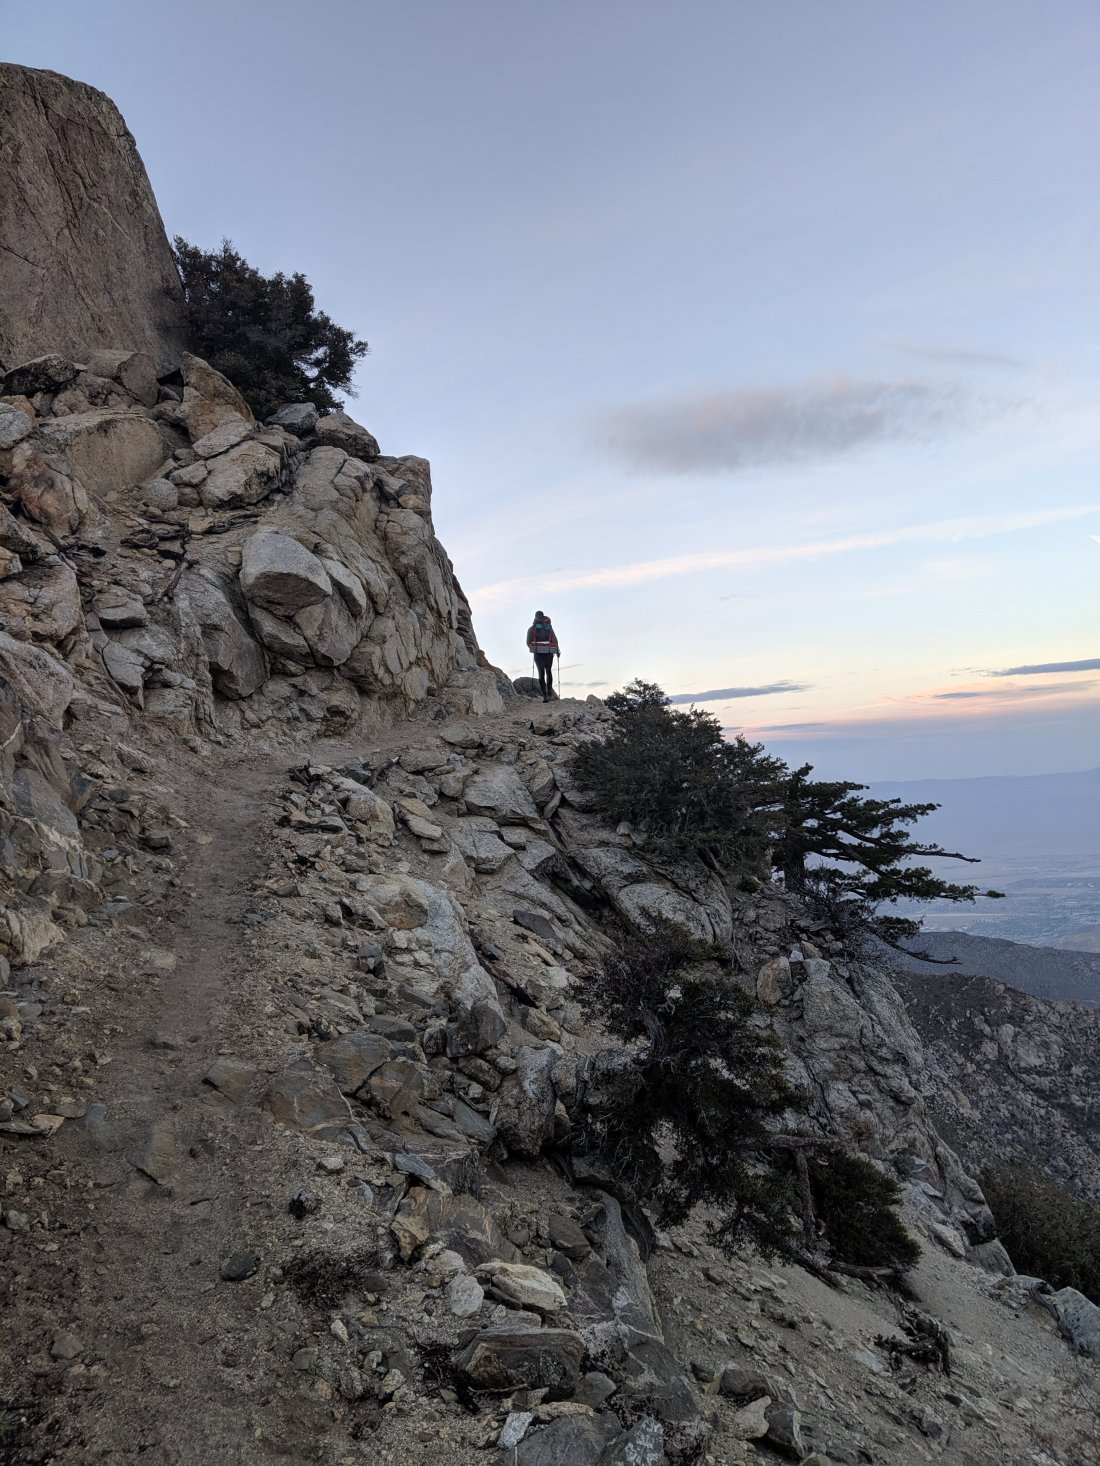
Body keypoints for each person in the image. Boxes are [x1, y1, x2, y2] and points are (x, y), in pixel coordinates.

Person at [526, 610, 560, 701]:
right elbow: (555, 640)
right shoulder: (549, 628)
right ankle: (549, 694)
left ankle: (545, 696)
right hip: (549, 652)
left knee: (541, 673)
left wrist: (532, 648)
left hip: (538, 654)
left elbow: (528, 642)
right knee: (548, 671)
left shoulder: (531, 629)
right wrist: (557, 651)